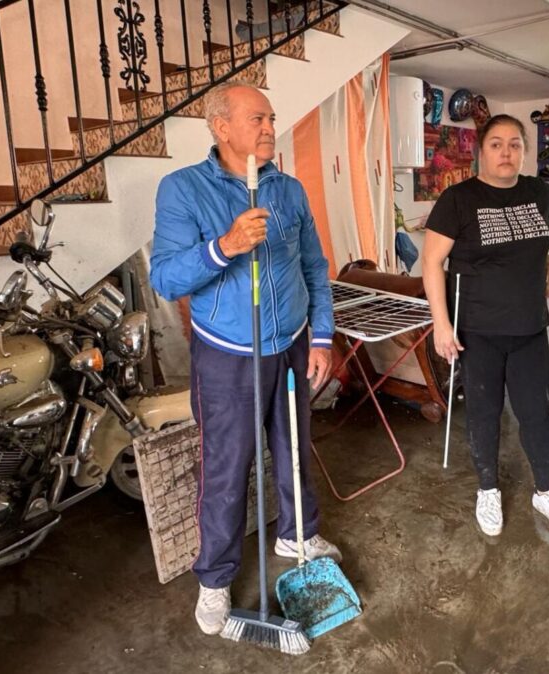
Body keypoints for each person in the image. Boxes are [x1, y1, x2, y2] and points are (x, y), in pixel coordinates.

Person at [150, 81, 341, 636]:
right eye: (256, 118)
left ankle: (297, 534)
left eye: (271, 118)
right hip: (228, 353)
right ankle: (214, 577)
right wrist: (225, 247)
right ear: (221, 126)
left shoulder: (288, 189)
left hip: (293, 342)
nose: (267, 128)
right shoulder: (182, 190)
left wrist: (323, 337)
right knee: (227, 468)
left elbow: (314, 266)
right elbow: (165, 277)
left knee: (294, 449)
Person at [422, 114, 549, 538]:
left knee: (536, 413)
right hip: (477, 331)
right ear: (481, 150)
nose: (506, 152)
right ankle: (488, 488)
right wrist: (442, 325)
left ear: (524, 151)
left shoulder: (536, 192)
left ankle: (546, 490)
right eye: (497, 144)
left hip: (530, 327)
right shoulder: (458, 199)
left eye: (514, 144)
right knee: (484, 414)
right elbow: (431, 263)